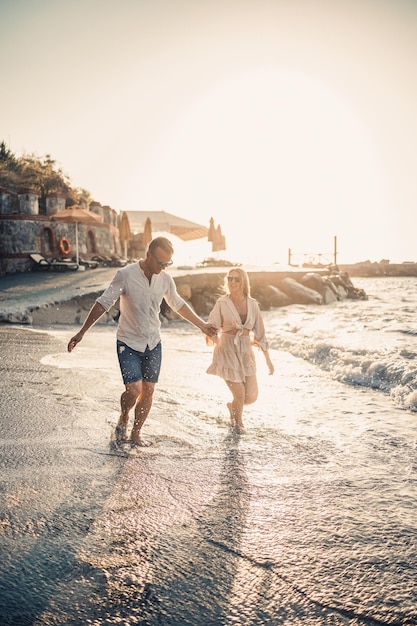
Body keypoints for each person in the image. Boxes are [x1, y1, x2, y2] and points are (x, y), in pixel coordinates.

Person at [68, 236, 216, 448]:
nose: (164, 267)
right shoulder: (125, 275)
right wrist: (82, 333)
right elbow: (104, 303)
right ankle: (124, 416)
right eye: (161, 262)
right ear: (148, 255)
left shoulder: (165, 279)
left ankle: (136, 433)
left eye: (168, 263)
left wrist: (202, 325)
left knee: (149, 389)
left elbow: (178, 304)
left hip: (153, 343)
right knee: (134, 390)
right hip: (128, 342)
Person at [206, 267, 274, 431]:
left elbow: (260, 333)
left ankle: (233, 407)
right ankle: (237, 424)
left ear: (244, 282)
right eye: (230, 279)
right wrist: (212, 333)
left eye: (236, 279)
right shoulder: (222, 302)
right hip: (227, 349)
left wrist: (268, 360)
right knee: (240, 393)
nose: (233, 282)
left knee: (251, 396)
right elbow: (212, 323)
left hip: (245, 352)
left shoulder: (253, 304)